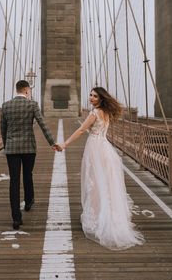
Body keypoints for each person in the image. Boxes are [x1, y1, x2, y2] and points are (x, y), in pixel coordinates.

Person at [58, 87, 144, 250]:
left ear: (100, 98)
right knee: (106, 183)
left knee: (95, 183)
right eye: (90, 94)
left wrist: (65, 144)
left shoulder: (95, 113)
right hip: (105, 148)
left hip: (95, 149)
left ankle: (98, 218)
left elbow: (82, 129)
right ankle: (108, 216)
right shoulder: (106, 112)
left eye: (94, 96)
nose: (91, 97)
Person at [0, 80, 60, 230]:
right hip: (29, 148)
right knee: (28, 174)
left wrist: (6, 144)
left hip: (11, 148)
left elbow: (3, 128)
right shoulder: (32, 105)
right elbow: (42, 124)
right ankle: (28, 201)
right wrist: (52, 143)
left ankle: (16, 218)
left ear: (17, 90)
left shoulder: (6, 105)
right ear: (26, 90)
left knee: (14, 181)